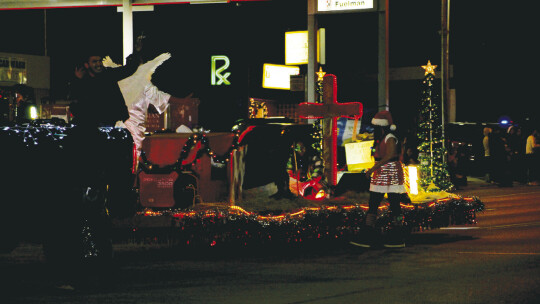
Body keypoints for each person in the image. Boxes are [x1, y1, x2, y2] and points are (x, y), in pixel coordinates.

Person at [350, 110, 407, 248]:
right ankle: (387, 233)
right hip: (384, 171)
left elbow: (389, 155)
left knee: (388, 203)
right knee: (380, 203)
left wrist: (372, 169)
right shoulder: (385, 137)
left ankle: (392, 234)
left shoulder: (390, 137)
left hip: (389, 171)